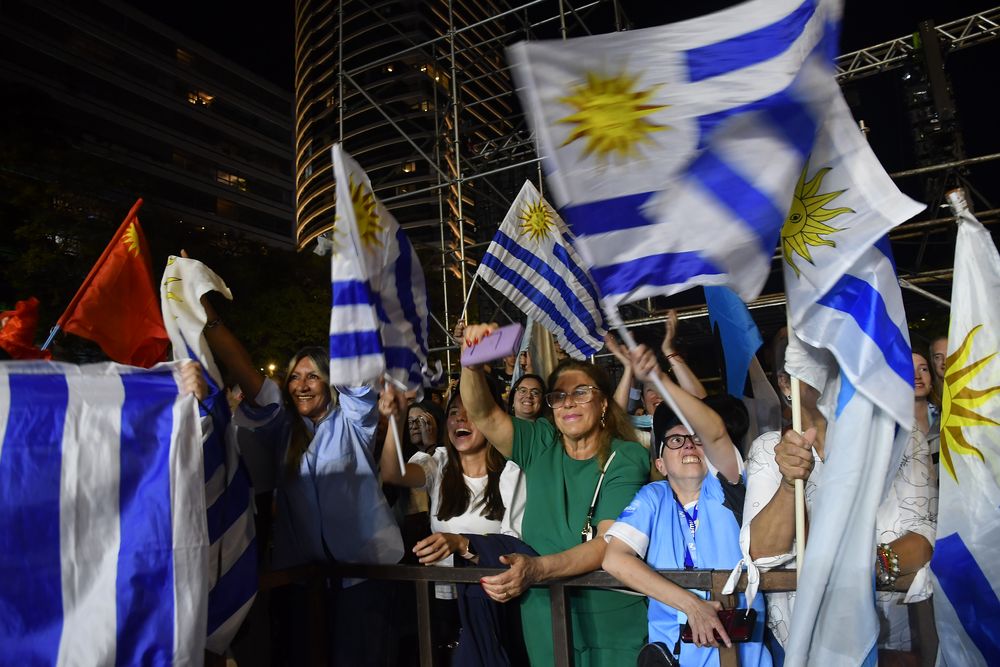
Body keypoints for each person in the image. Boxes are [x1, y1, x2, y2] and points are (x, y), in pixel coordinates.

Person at [198, 295, 402, 666]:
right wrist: (210, 317)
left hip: (362, 582)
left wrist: (353, 291)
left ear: (331, 382)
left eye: (313, 376)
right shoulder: (282, 430)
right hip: (304, 585)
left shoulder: (353, 420)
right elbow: (247, 376)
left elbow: (356, 374)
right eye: (294, 376)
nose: (302, 385)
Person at [459, 322, 651, 666]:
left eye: (581, 392)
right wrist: (471, 365)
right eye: (559, 396)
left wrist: (537, 569)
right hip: (543, 613)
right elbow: (483, 413)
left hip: (608, 616)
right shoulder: (540, 444)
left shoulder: (626, 456)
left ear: (604, 403)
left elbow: (609, 543)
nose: (568, 403)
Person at [742, 341, 935, 664]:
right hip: (803, 641)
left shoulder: (902, 438)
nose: (828, 373)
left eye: (837, 360)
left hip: (890, 639)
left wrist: (866, 568)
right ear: (785, 383)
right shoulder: (769, 450)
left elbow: (925, 534)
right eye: (813, 362)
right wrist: (790, 484)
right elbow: (761, 554)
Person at [602, 343, 769, 667]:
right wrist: (692, 605)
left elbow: (717, 435)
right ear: (661, 463)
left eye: (695, 438)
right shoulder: (654, 497)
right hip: (672, 658)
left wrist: (659, 380)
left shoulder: (725, 487)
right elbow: (615, 560)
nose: (688, 445)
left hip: (741, 657)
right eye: (675, 440)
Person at [380, 383, 526, 664]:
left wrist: (461, 546)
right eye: (454, 412)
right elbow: (392, 472)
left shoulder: (511, 472)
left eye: (472, 412)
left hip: (488, 600)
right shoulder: (439, 462)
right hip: (440, 597)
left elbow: (513, 546)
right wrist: (397, 416)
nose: (461, 419)